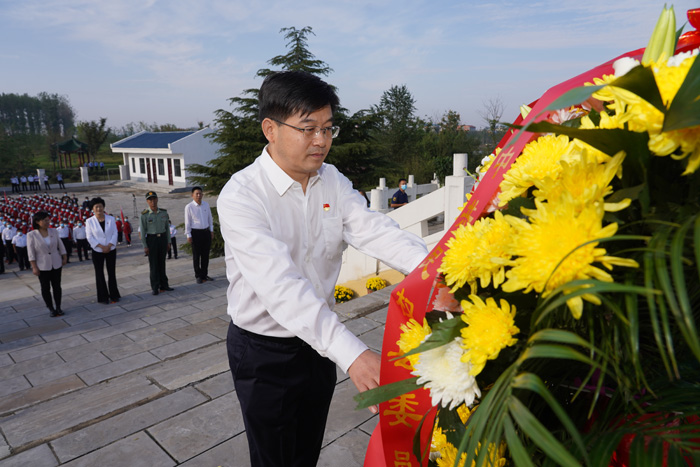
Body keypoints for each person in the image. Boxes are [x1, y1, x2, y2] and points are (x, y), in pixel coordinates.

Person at [217, 70, 428, 467]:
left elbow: (374, 230)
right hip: (264, 351)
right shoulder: (242, 196)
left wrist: (433, 271)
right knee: (275, 457)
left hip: (317, 347)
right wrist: (354, 354)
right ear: (270, 129)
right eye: (308, 128)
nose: (321, 141)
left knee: (307, 448)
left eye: (329, 129)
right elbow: (282, 287)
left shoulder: (331, 180)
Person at [27, 211, 67, 317]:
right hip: (42, 265)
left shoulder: (53, 231)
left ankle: (58, 307)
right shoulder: (31, 235)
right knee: (45, 288)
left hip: (56, 262)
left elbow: (60, 244)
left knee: (57, 286)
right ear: (37, 222)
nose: (47, 222)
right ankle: (51, 308)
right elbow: (31, 253)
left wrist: (64, 256)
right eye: (45, 220)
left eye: (48, 220)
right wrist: (34, 266)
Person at [86, 197, 121, 304]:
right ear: (92, 209)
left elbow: (115, 233)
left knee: (111, 272)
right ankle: (103, 297)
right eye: (96, 207)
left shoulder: (110, 219)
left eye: (100, 206)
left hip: (111, 249)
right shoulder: (89, 221)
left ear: (103, 207)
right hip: (97, 250)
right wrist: (101, 246)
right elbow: (89, 237)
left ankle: (114, 295)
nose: (98, 209)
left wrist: (109, 245)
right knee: (99, 273)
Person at [139, 191, 173, 295]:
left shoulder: (163, 212)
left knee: (162, 263)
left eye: (154, 199)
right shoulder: (144, 215)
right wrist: (145, 245)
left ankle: (164, 285)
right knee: (153, 264)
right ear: (147, 201)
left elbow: (167, 228)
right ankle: (155, 287)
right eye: (150, 200)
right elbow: (142, 231)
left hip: (162, 239)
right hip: (152, 240)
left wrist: (169, 241)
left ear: (157, 199)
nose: (152, 202)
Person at [184, 186, 214, 283]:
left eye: (200, 193)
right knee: (197, 256)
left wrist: (211, 230)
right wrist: (188, 234)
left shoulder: (206, 205)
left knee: (205, 255)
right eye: (196, 194)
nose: (198, 195)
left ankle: (204, 274)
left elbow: (210, 218)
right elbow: (187, 222)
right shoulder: (189, 207)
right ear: (192, 195)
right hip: (195, 233)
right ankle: (198, 275)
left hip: (206, 232)